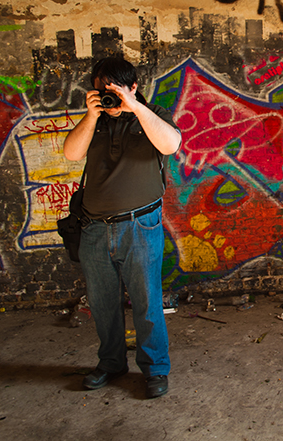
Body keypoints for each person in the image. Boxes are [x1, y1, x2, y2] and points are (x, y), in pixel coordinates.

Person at [63, 56, 181, 398]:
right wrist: (91, 115)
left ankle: (155, 369)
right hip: (94, 228)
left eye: (115, 90)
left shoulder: (152, 114)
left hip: (140, 226)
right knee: (102, 304)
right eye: (102, 90)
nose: (109, 97)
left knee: (147, 303)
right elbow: (71, 154)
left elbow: (170, 144)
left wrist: (134, 106)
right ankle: (111, 363)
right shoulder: (96, 120)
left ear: (133, 87)